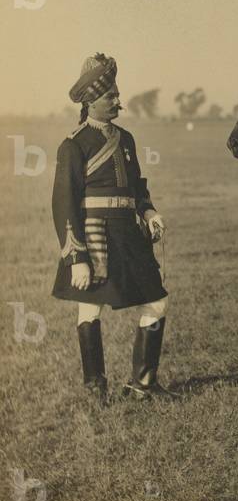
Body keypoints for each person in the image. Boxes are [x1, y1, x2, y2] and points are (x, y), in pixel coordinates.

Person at [52, 53, 174, 403]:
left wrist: (149, 212)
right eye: (111, 96)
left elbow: (137, 187)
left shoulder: (127, 139)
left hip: (130, 238)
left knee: (158, 302)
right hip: (95, 238)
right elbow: (63, 204)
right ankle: (95, 391)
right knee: (90, 310)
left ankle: (143, 385)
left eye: (118, 94)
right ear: (91, 101)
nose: (119, 101)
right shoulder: (73, 145)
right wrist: (76, 257)